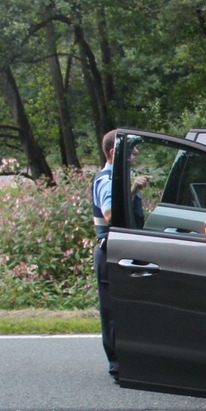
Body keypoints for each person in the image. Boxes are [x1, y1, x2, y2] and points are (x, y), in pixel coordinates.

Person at [91, 130, 120, 380]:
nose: (135, 154)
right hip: (108, 248)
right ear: (113, 152)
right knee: (112, 309)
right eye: (130, 150)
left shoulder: (114, 178)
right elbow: (109, 214)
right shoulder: (107, 180)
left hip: (114, 248)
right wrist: (132, 189)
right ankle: (117, 364)